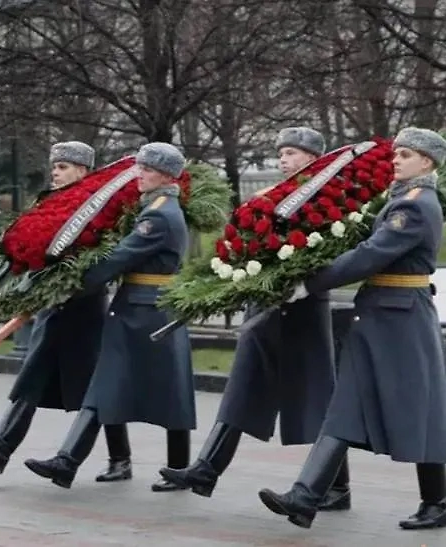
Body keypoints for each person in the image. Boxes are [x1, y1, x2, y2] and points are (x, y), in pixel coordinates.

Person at [258, 127, 446, 530]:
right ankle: (306, 497)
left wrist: (310, 282)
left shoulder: (416, 205)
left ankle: (438, 500)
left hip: (401, 319)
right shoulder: (400, 199)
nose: (395, 160)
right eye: (396, 154)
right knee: (345, 405)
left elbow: (371, 254)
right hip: (380, 315)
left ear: (427, 163)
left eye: (406, 155)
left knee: (420, 409)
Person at [159, 127, 351, 510]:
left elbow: (330, 250)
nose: (283, 159)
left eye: (293, 153)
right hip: (263, 307)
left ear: (314, 158)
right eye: (281, 153)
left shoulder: (332, 199)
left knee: (318, 398)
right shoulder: (268, 198)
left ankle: (337, 489)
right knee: (242, 388)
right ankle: (206, 469)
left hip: (302, 308)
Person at [23, 142, 195, 492]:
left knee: (165, 391)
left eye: (145, 170)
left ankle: (175, 467)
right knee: (110, 384)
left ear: (164, 175)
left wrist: (70, 281)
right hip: (141, 308)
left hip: (148, 311)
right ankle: (70, 462)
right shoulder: (156, 207)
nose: (138, 176)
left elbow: (119, 257)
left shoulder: (159, 214)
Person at [0, 141, 132, 482]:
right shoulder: (49, 203)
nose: (55, 172)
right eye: (55, 166)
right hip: (52, 306)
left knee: (96, 386)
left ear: (83, 171)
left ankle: (120, 458)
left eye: (64, 166)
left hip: (85, 307)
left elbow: (104, 255)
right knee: (32, 375)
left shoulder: (101, 206)